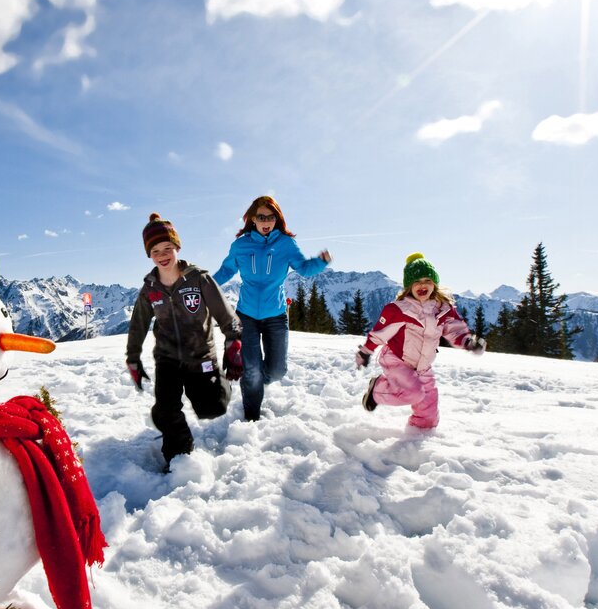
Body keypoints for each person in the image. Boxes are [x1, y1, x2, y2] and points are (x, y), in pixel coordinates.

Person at [125, 213, 244, 468]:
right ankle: (180, 457)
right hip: (167, 359)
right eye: (155, 250)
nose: (162, 255)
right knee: (167, 410)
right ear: (149, 255)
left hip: (201, 356)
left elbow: (226, 314)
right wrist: (132, 357)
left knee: (212, 408)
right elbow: (138, 325)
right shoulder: (150, 288)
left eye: (167, 248)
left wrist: (234, 342)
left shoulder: (199, 279)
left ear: (176, 247)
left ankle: (218, 389)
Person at [213, 195, 331, 421]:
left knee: (277, 371)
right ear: (253, 219)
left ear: (277, 219)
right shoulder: (241, 245)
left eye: (271, 216)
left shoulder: (286, 244)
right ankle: (251, 418)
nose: (266, 221)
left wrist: (320, 261)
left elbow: (304, 268)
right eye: (261, 216)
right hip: (245, 315)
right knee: (253, 370)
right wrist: (205, 284)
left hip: (276, 315)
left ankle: (252, 380)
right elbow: (226, 271)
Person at [355, 252, 486, 429]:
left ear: (435, 284)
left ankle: (420, 433)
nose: (422, 285)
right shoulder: (399, 310)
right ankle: (377, 390)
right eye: (416, 281)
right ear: (409, 286)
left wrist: (468, 342)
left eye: (427, 280)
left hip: (423, 366)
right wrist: (365, 351)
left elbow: (455, 329)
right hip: (397, 360)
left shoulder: (443, 309)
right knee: (413, 393)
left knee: (428, 409)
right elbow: (380, 333)